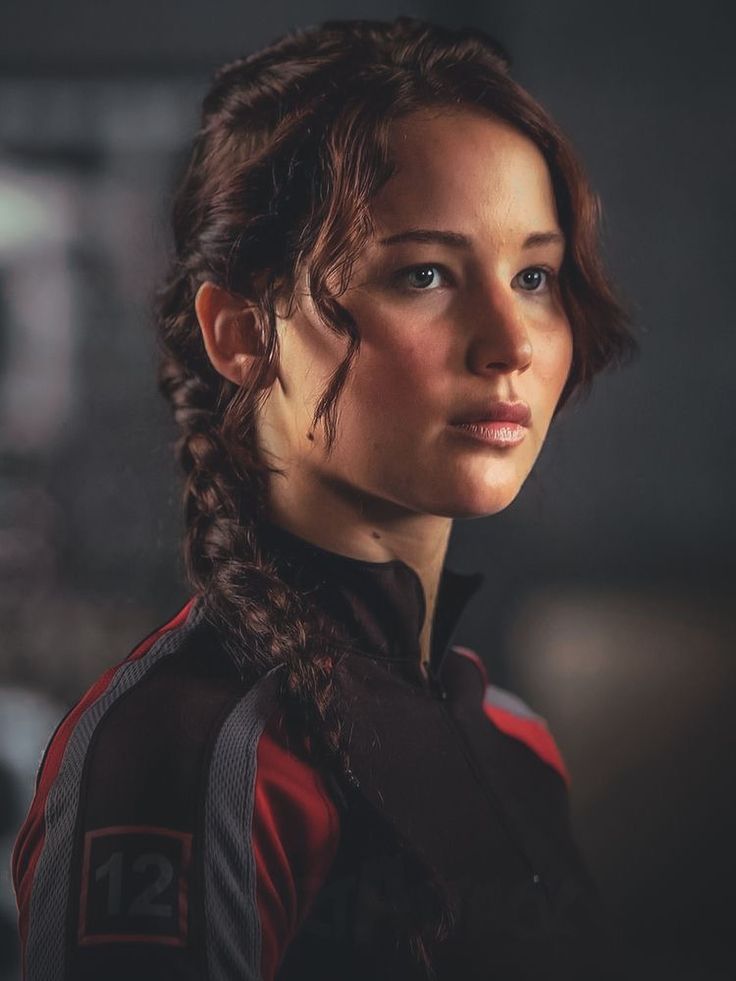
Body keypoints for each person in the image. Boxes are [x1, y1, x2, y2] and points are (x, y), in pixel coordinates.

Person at [11, 16, 638, 981]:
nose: (511, 340)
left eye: (534, 275)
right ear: (241, 331)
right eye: (424, 274)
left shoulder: (514, 742)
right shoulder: (174, 756)